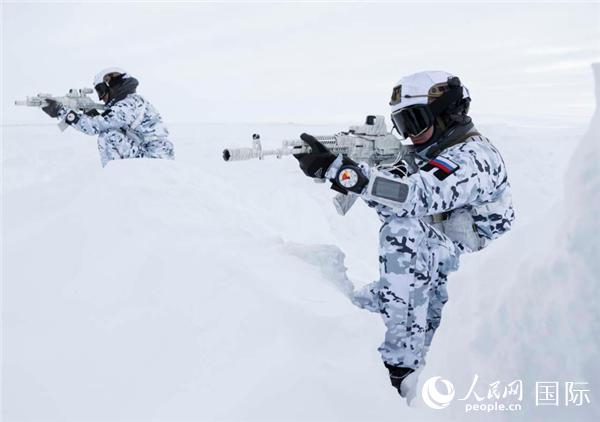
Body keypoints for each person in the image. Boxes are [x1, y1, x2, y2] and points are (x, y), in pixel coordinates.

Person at [293, 71, 514, 402]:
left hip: (474, 290)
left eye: (416, 121)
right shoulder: (429, 156)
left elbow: (416, 198)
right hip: (436, 275)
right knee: (350, 316)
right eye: (402, 125)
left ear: (447, 114)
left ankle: (402, 369)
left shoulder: (474, 157)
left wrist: (343, 171)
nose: (411, 135)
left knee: (402, 231)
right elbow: (402, 203)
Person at [41, 67, 174, 167]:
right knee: (110, 132)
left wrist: (62, 112)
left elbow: (94, 127)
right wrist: (90, 113)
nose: (101, 98)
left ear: (113, 85)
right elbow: (111, 123)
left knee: (108, 136)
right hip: (153, 153)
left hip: (154, 157)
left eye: (101, 90)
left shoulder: (128, 104)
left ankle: (114, 181)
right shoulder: (132, 101)